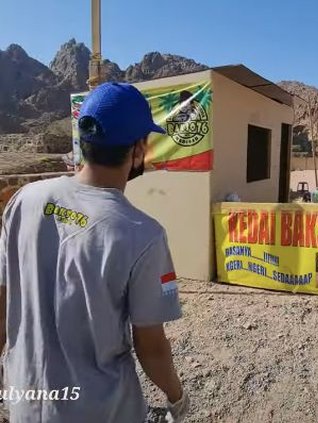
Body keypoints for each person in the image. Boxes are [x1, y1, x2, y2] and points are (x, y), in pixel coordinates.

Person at [0, 82, 189, 423]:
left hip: (25, 401)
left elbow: (2, 307)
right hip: (102, 410)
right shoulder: (142, 234)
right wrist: (176, 395)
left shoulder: (23, 201)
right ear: (138, 149)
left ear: (84, 140)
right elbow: (150, 346)